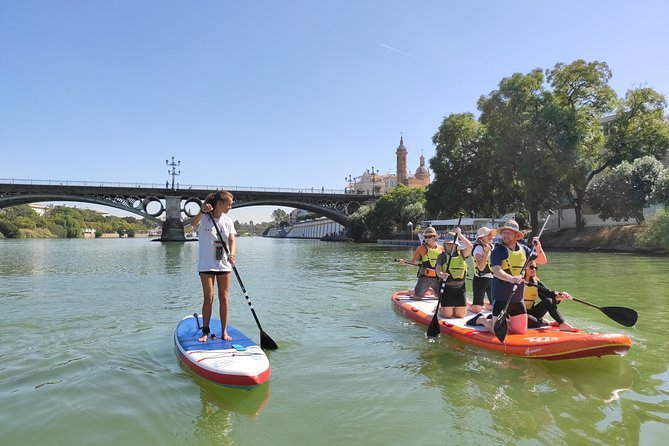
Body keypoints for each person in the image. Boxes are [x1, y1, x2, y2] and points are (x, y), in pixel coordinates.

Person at [480, 219, 547, 335]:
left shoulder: (525, 250)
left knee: (520, 331)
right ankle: (482, 320)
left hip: (517, 299)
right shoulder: (498, 250)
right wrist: (511, 278)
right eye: (504, 232)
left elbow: (542, 261)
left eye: (509, 233)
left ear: (516, 235)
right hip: (501, 298)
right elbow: (496, 271)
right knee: (499, 333)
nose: (505, 235)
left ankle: (505, 323)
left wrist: (538, 247)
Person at [191, 191, 237, 342]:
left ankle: (224, 331)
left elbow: (231, 240)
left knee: (224, 298)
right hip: (206, 265)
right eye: (229, 204)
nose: (230, 207)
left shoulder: (228, 221)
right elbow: (193, 224)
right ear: (220, 203)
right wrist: (202, 210)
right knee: (208, 297)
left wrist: (232, 254)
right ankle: (205, 332)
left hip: (223, 264)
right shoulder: (204, 218)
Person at [523, 259, 578, 332]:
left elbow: (549, 294)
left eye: (536, 268)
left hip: (532, 312)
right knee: (528, 319)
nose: (534, 270)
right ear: (524, 268)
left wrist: (560, 296)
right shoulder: (516, 282)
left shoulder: (536, 282)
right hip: (518, 314)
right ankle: (548, 323)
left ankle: (562, 324)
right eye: (531, 267)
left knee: (549, 301)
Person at [435, 227, 473, 318]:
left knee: (460, 316)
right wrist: (441, 274)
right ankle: (439, 308)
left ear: (456, 245)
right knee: (448, 315)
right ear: (445, 245)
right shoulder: (442, 256)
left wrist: (460, 235)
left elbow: (470, 247)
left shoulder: (462, 254)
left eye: (452, 244)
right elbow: (438, 269)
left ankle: (462, 303)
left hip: (460, 288)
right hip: (447, 288)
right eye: (448, 244)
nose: (450, 246)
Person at [399, 227, 443, 299]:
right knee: (417, 298)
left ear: (435, 237)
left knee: (443, 298)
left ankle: (430, 291)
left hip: (438, 278)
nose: (427, 239)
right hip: (425, 278)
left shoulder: (441, 248)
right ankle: (418, 291)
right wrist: (405, 262)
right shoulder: (421, 248)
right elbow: (414, 262)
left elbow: (444, 264)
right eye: (426, 237)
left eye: (430, 236)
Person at [470, 226, 497, 314]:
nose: (491, 236)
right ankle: (465, 304)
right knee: (476, 310)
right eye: (488, 235)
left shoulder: (493, 247)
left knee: (496, 307)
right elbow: (481, 267)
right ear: (481, 238)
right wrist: (486, 252)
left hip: (492, 280)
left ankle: (484, 304)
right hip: (480, 280)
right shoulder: (478, 249)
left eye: (491, 234)